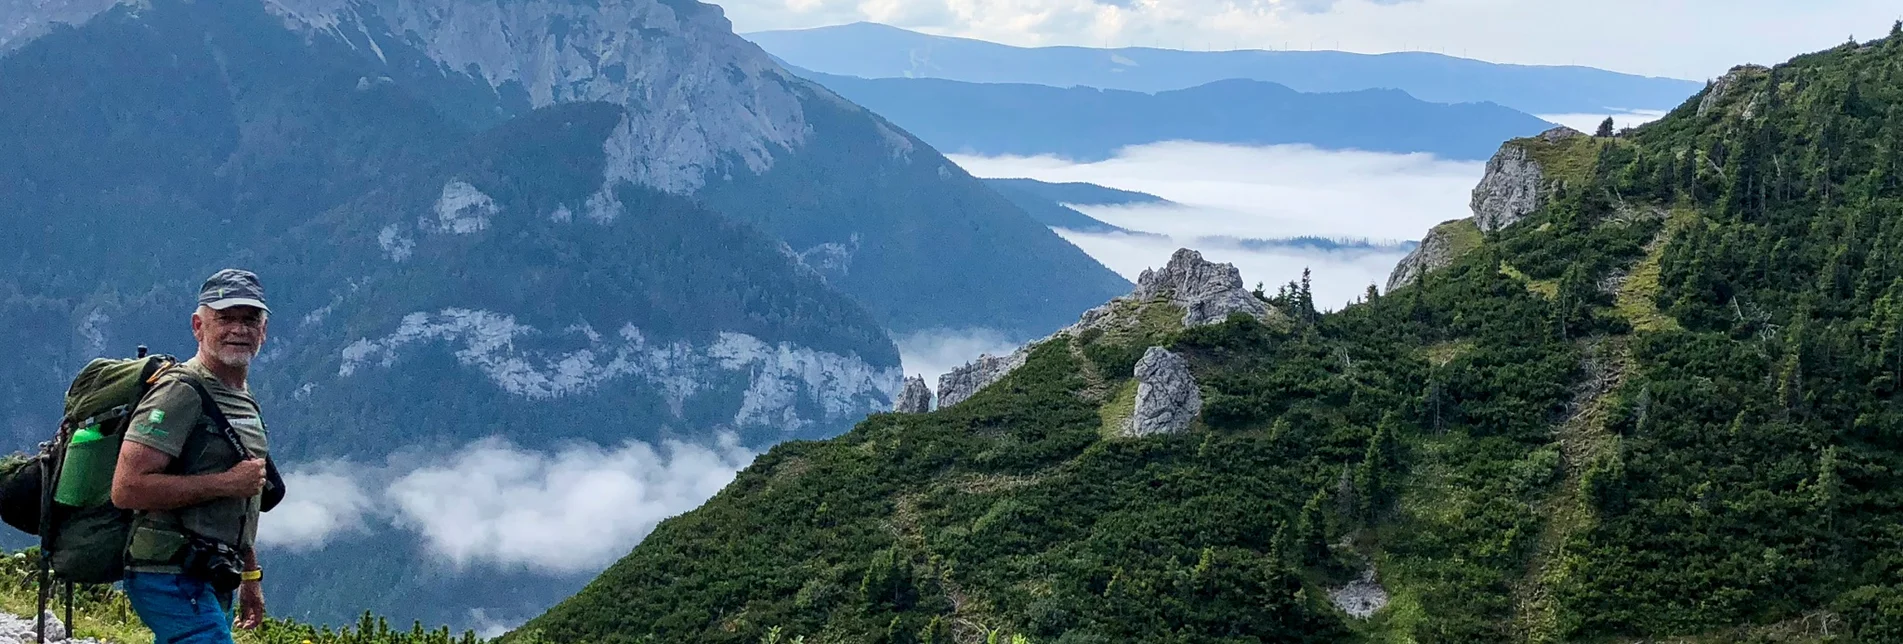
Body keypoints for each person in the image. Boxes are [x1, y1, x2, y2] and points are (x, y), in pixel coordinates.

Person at [110, 269, 274, 643]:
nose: (238, 329)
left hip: (213, 570)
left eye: (250, 319)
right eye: (225, 318)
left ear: (264, 331)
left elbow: (245, 497)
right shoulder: (179, 393)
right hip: (168, 571)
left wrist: (250, 577)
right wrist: (226, 483)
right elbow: (127, 488)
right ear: (198, 326)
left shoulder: (242, 398)